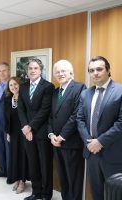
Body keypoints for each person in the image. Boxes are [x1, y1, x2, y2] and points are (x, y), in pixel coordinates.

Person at [77, 56, 122, 200]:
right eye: (91, 70)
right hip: (92, 153)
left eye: (99, 69)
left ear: (108, 70)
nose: (95, 73)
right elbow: (80, 120)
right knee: (96, 192)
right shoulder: (86, 93)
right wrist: (90, 142)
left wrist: (100, 141)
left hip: (114, 153)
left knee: (115, 195)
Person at [48, 60, 86, 200]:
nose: (60, 74)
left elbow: (77, 115)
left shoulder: (80, 88)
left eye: (63, 71)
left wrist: (62, 136)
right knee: (63, 178)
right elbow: (51, 116)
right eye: (57, 72)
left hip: (71, 142)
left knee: (74, 180)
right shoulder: (55, 91)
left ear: (71, 72)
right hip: (56, 143)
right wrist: (51, 135)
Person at [18, 58, 54, 200]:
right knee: (32, 163)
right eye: (30, 68)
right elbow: (21, 110)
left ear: (40, 70)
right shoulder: (23, 87)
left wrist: (30, 127)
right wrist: (25, 128)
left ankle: (46, 194)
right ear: (27, 71)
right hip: (27, 133)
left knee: (45, 164)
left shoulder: (48, 86)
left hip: (42, 131)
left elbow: (45, 110)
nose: (32, 71)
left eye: (35, 68)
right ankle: (36, 192)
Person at [4, 77, 28, 194]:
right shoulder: (8, 99)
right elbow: (7, 118)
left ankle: (23, 181)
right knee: (14, 156)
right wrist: (8, 132)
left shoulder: (25, 97)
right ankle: (17, 179)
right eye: (11, 85)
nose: (13, 87)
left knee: (23, 156)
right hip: (13, 132)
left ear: (20, 85)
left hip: (24, 131)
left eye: (15, 84)